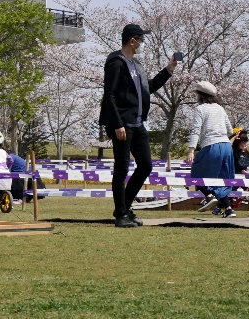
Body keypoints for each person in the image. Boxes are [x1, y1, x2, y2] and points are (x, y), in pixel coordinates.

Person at [100, 23, 177, 228]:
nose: (142, 43)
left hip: (137, 123)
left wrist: (168, 70)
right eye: (141, 39)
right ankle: (121, 215)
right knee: (122, 167)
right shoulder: (116, 63)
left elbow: (147, 88)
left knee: (145, 165)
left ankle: (124, 207)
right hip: (122, 124)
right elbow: (110, 95)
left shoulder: (136, 65)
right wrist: (117, 124)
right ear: (132, 41)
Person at [186, 81, 236, 218]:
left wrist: (191, 150)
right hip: (226, 146)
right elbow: (230, 130)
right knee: (222, 179)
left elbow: (195, 131)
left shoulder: (200, 109)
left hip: (211, 145)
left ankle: (209, 196)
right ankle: (229, 209)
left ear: (201, 95)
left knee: (196, 172)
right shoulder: (220, 108)